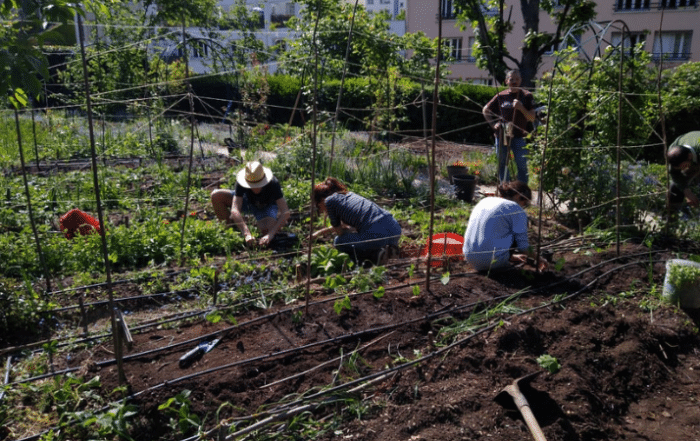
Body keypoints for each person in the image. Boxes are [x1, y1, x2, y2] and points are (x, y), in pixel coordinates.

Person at [312, 177, 401, 265]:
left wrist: (347, 231)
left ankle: (375, 257)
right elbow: (344, 226)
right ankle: (388, 249)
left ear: (321, 200)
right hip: (394, 228)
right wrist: (318, 233)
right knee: (362, 235)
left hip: (376, 234)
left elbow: (340, 232)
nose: (321, 210)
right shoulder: (348, 195)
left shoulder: (329, 201)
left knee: (339, 241)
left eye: (319, 206)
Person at [462, 181, 545, 272]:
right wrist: (540, 259)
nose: (523, 206)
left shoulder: (486, 200)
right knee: (517, 233)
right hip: (492, 262)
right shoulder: (516, 209)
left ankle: (501, 257)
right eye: (524, 203)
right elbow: (523, 247)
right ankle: (499, 260)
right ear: (518, 196)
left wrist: (511, 256)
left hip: (469, 257)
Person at [211, 161, 290, 247]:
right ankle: (230, 230)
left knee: (266, 231)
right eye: (251, 185)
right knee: (216, 195)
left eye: (258, 184)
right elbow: (235, 209)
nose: (255, 188)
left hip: (267, 206)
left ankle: (262, 223)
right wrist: (246, 233)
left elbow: (285, 212)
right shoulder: (241, 182)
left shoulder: (273, 183)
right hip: (247, 202)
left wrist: (271, 234)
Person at [483, 69, 537, 185]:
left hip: (519, 137)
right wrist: (493, 124)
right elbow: (485, 110)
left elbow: (532, 118)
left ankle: (522, 192)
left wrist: (521, 107)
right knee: (502, 164)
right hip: (502, 135)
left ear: (521, 81)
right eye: (511, 79)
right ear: (506, 81)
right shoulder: (500, 96)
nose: (514, 82)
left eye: (517, 79)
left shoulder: (526, 96)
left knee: (522, 164)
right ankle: (505, 188)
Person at [667, 131, 700, 212]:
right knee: (675, 186)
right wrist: (687, 192)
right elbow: (675, 174)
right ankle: (672, 216)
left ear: (689, 156)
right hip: (694, 154)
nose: (683, 169)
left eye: (684, 166)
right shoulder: (673, 152)